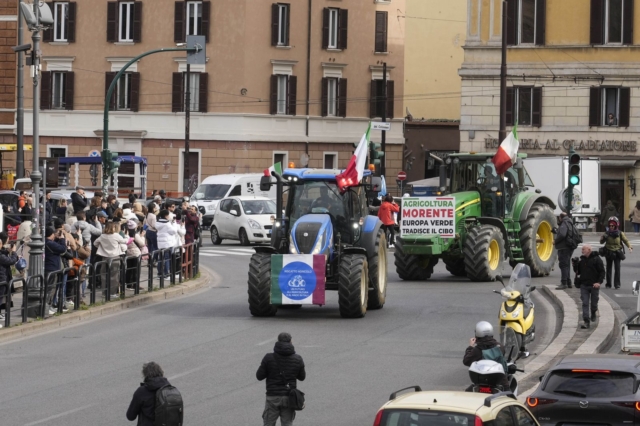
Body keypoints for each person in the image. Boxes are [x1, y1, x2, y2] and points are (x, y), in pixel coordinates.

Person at [256, 332, 306, 426]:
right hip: (289, 397)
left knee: (268, 423)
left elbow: (259, 376)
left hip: (272, 396)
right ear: (291, 342)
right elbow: (302, 377)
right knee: (287, 423)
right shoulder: (297, 359)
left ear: (277, 342)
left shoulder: (268, 358)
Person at [462, 321, 509, 388]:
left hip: (482, 381)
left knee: (468, 394)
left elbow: (466, 361)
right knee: (509, 396)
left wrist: (470, 346)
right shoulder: (500, 346)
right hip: (500, 381)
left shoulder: (477, 350)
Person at [126, 362, 173, 426]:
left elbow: (130, 416)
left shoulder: (141, 392)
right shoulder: (170, 389)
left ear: (145, 375)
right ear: (161, 373)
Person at [573, 244, 605, 329]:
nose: (582, 251)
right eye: (582, 249)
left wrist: (599, 282)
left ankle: (593, 312)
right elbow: (578, 272)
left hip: (594, 285)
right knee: (585, 303)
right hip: (584, 285)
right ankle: (586, 321)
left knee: (594, 304)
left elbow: (602, 272)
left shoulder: (597, 259)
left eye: (584, 249)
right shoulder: (582, 260)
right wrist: (575, 265)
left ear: (589, 250)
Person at [93, 222, 127, 299]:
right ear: (113, 228)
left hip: (104, 257)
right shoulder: (116, 236)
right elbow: (124, 241)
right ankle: (112, 292)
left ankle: (104, 292)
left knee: (104, 275)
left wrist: (102, 247)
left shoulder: (102, 236)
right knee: (114, 276)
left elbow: (95, 243)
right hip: (115, 257)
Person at [600, 217, 633, 289]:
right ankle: (608, 284)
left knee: (617, 269)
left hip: (617, 252)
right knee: (608, 269)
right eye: (610, 226)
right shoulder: (607, 233)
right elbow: (601, 242)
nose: (611, 227)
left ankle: (617, 284)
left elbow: (626, 240)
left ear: (616, 225)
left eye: (613, 226)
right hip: (608, 252)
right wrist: (602, 238)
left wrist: (629, 247)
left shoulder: (620, 233)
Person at [44, 226, 67, 315]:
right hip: (52, 268)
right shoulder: (50, 243)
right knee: (50, 288)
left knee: (49, 288)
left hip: (49, 267)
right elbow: (62, 249)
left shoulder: (47, 242)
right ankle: (47, 306)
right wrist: (61, 239)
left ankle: (48, 305)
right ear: (52, 234)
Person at [554, 212, 576, 290]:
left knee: (563, 265)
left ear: (561, 217)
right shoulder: (569, 222)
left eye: (559, 218)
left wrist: (555, 241)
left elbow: (563, 234)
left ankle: (564, 283)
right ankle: (568, 282)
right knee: (566, 265)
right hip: (569, 246)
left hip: (564, 247)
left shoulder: (564, 223)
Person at [0, 232, 18, 327]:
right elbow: (11, 261)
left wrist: (8, 251)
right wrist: (14, 252)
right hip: (2, 278)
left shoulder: (2, 253)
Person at [156, 209, 177, 278]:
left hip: (160, 244)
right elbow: (173, 231)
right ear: (165, 216)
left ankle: (159, 273)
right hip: (167, 244)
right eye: (168, 215)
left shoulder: (157, 223)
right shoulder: (167, 224)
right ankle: (166, 273)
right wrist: (173, 223)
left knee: (160, 259)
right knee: (167, 259)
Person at [125, 220, 146, 289]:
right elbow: (142, 244)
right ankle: (135, 284)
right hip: (136, 254)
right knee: (136, 269)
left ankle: (128, 284)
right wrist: (142, 236)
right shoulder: (135, 235)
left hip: (128, 253)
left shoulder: (126, 234)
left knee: (129, 269)